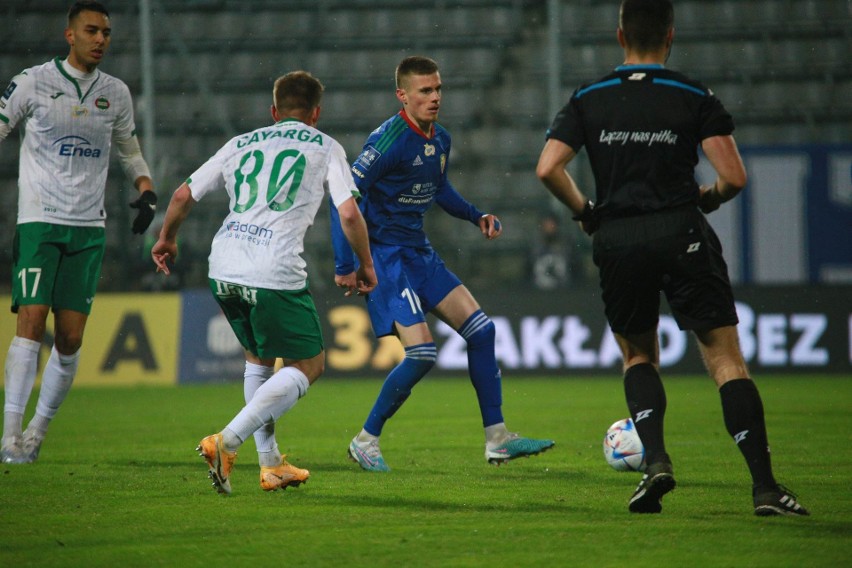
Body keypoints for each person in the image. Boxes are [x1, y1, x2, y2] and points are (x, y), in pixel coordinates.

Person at [536, 0, 808, 517]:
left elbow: (548, 167)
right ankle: (765, 488)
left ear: (620, 36)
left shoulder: (589, 97)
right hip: (682, 231)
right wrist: (706, 198)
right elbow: (734, 178)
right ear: (670, 37)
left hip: (618, 238)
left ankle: (656, 460)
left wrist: (586, 210)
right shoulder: (693, 94)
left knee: (638, 356)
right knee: (726, 359)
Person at [151, 71, 376, 495]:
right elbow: (348, 214)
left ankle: (271, 465)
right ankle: (226, 442)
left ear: (274, 112)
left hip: (224, 264)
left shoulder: (240, 143)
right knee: (309, 365)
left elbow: (182, 195)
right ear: (316, 113)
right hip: (272, 269)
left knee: (257, 358)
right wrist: (366, 264)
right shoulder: (326, 146)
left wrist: (167, 240)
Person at [332, 55, 554, 472]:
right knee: (421, 354)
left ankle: (498, 439)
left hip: (419, 252)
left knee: (483, 332)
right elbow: (343, 200)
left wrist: (476, 215)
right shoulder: (386, 141)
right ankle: (366, 440)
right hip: (385, 258)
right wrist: (347, 262)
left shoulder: (441, 139)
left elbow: (439, 188)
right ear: (403, 95)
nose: (435, 98)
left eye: (438, 89)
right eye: (425, 91)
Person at [1, 1, 157, 464]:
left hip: (88, 228)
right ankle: (9, 436)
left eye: (106, 32)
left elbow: (129, 149)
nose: (101, 40)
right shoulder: (32, 81)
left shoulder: (116, 92)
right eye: (92, 31)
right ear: (70, 35)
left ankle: (36, 432)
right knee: (31, 321)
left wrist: (146, 188)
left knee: (69, 339)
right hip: (39, 221)